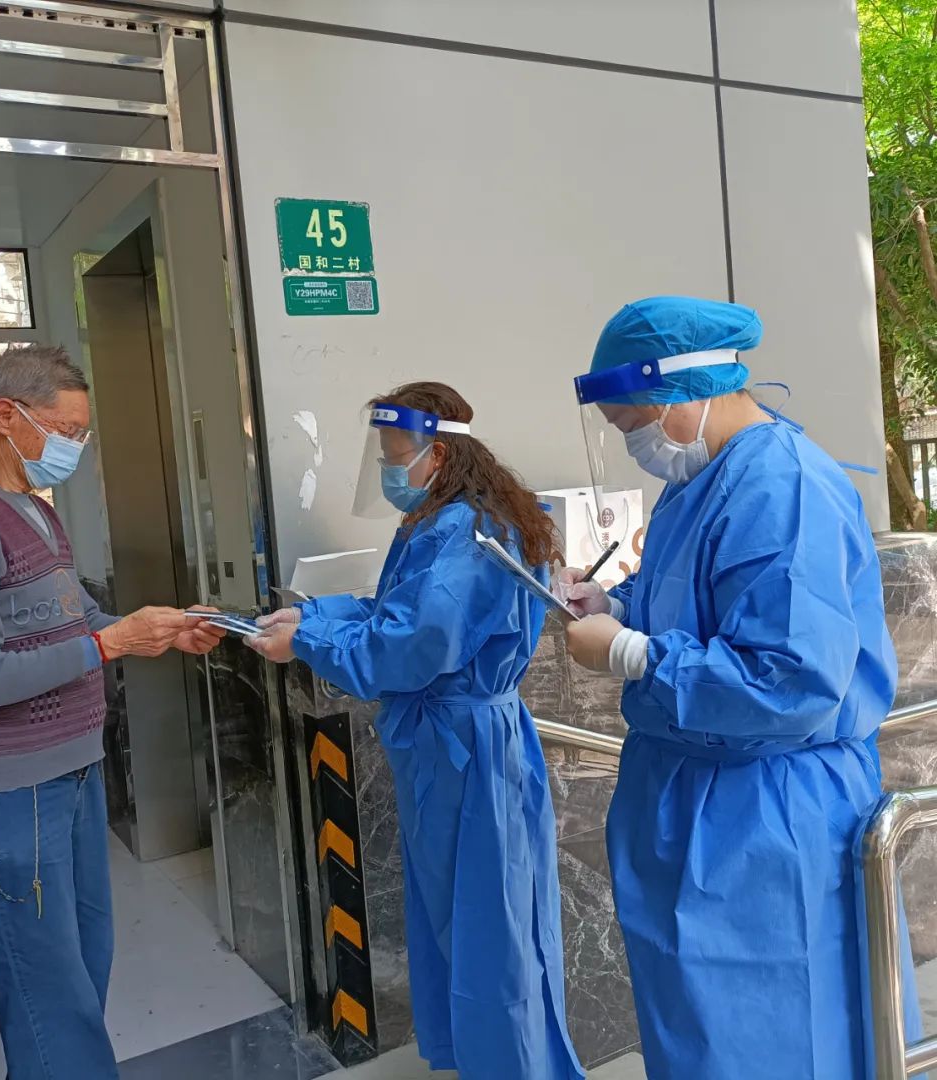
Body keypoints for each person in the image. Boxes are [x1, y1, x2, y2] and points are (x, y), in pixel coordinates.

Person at [557, 296, 917, 1079]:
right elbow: (694, 601)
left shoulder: (783, 486)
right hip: (693, 799)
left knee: (787, 1037)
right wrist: (615, 607)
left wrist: (631, 654)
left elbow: (791, 679)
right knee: (702, 1038)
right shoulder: (700, 482)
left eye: (633, 424)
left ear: (682, 392)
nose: (636, 444)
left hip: (771, 813)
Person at [247, 383, 584, 1080]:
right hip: (445, 746)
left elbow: (411, 645)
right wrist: (312, 618)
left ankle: (517, 1068)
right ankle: (482, 1061)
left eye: (396, 456)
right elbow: (392, 611)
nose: (388, 470)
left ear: (438, 455)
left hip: (469, 751)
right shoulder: (442, 521)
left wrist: (308, 642)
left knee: (492, 930)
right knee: (455, 920)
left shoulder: (468, 532)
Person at [0, 345, 225, 1080]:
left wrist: (162, 632)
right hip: (14, 788)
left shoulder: (35, 510)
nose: (75, 449)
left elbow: (80, 621)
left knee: (85, 964)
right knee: (46, 986)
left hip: (78, 771)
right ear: (6, 416)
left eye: (82, 434)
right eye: (66, 431)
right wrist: (110, 643)